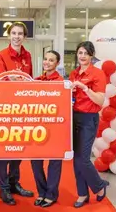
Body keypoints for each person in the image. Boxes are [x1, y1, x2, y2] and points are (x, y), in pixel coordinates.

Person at [0, 22, 35, 205]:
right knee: (4, 150)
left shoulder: (28, 56)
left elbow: (30, 81)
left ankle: (13, 183)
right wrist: (16, 79)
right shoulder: (1, 56)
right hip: (6, 108)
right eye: (14, 33)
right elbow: (1, 80)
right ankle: (3, 188)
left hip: (23, 108)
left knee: (19, 148)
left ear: (24, 37)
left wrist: (17, 80)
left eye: (20, 34)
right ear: (9, 35)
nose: (17, 36)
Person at [68, 41, 110, 208]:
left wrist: (85, 88)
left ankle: (100, 186)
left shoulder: (98, 74)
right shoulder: (73, 73)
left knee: (83, 159)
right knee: (75, 160)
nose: (82, 56)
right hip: (74, 117)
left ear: (91, 56)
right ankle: (82, 194)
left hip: (88, 118)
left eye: (86, 53)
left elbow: (100, 100)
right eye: (80, 53)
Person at [30, 50, 64, 208]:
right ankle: (42, 192)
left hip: (55, 127)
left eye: (51, 60)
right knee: (35, 161)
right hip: (37, 127)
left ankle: (51, 194)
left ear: (57, 63)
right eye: (45, 59)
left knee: (54, 163)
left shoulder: (62, 83)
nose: (47, 62)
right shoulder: (36, 81)